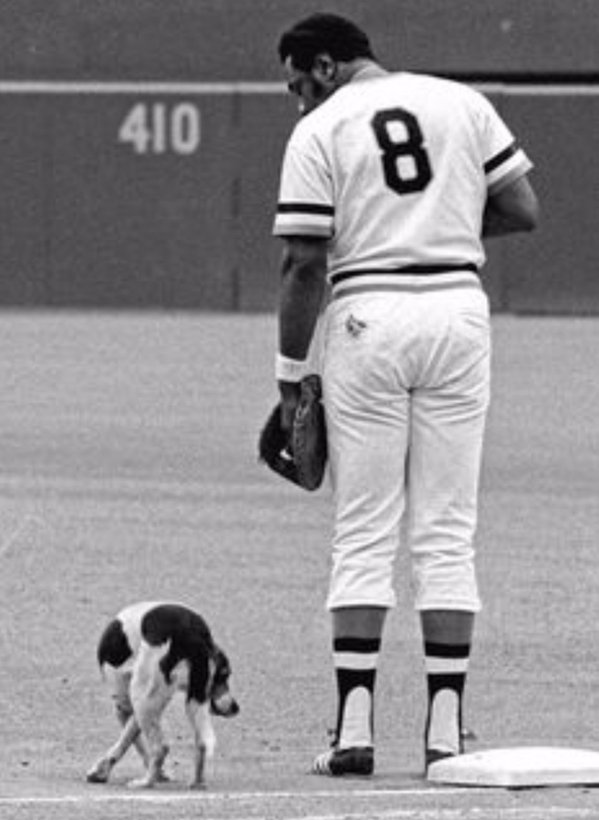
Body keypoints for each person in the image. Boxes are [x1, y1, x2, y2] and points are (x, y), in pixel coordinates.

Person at [271, 12, 539, 777]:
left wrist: (290, 380)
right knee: (447, 530)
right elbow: (522, 208)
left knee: (363, 528)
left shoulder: (321, 129)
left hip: (368, 316)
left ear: (323, 65)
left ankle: (353, 729)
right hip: (457, 308)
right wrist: (443, 222)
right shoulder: (462, 102)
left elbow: (301, 261)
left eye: (296, 80)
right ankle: (445, 733)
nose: (296, 97)